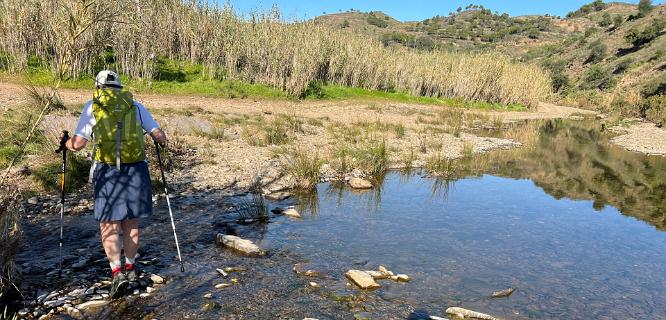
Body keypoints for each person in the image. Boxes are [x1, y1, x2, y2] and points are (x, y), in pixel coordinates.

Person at [63, 70, 167, 299]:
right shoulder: (136, 106)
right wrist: (161, 142)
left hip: (107, 169)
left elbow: (78, 143)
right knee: (131, 222)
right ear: (119, 86)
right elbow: (159, 135)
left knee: (109, 224)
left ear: (99, 87)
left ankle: (117, 273)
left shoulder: (93, 105)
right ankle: (131, 268)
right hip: (136, 168)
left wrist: (65, 143)